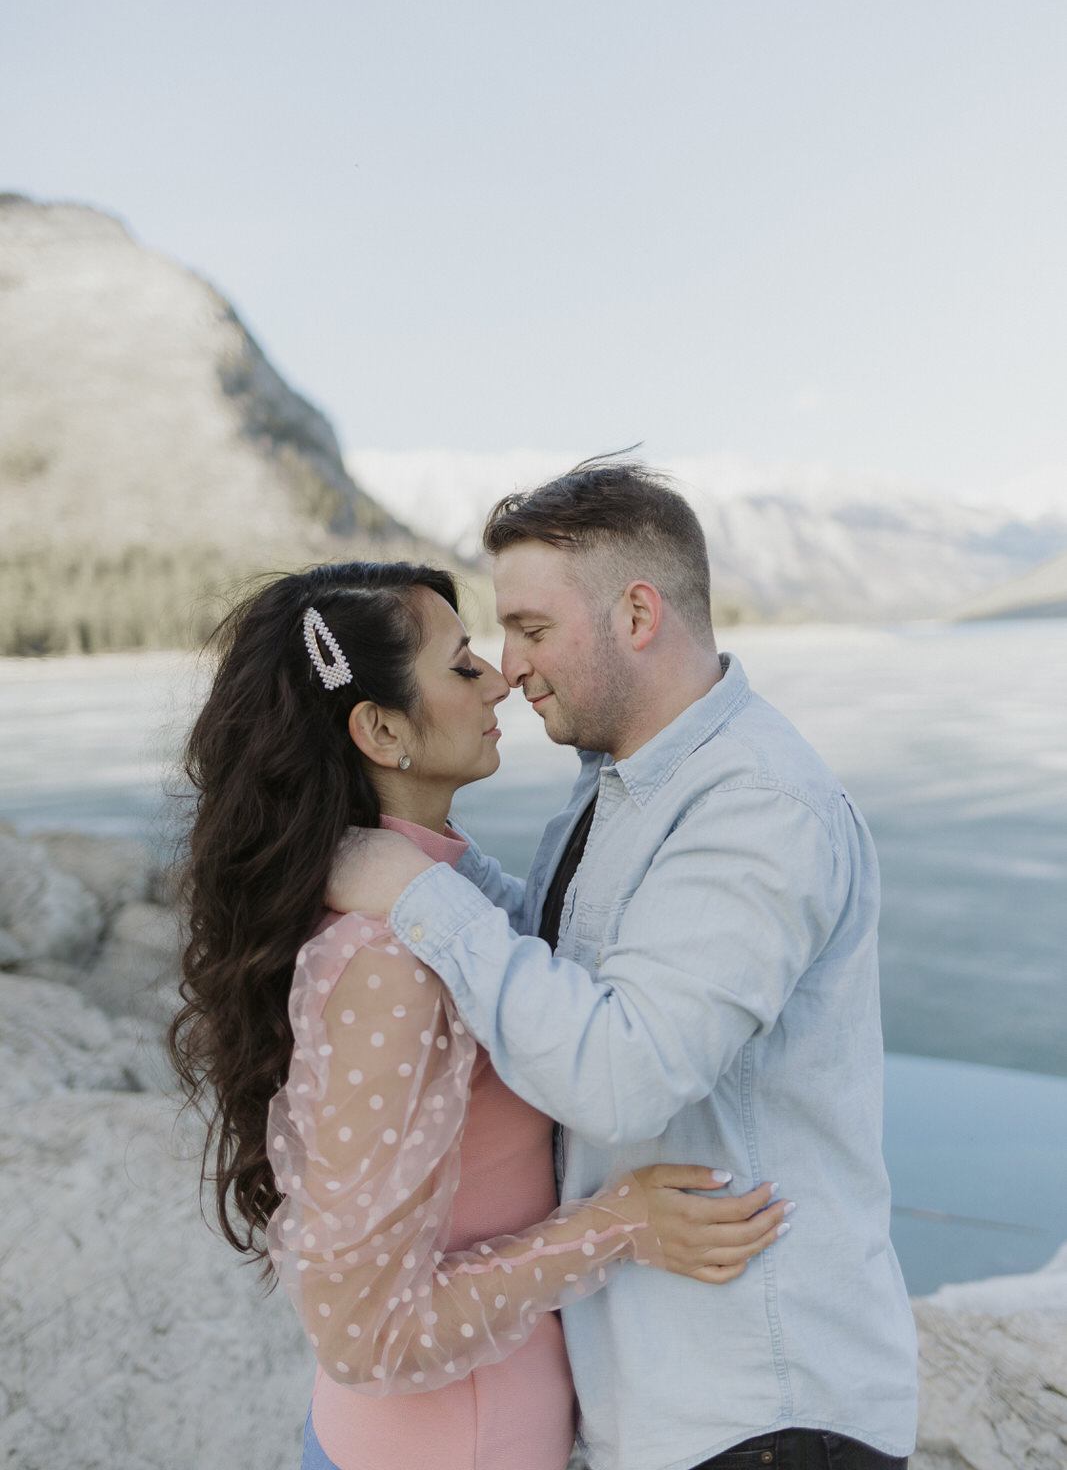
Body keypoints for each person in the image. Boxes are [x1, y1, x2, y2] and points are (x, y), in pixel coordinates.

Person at [327, 463, 920, 1470]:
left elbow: (620, 1072)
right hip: (666, 1403)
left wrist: (419, 898)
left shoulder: (756, 807)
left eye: (531, 628)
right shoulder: (625, 782)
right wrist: (431, 860)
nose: (509, 667)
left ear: (637, 612)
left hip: (760, 1410)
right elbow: (561, 959)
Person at [168, 559, 791, 1470]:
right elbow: (366, 1335)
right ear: (381, 729)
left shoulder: (423, 897)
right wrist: (619, 1225)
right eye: (463, 666)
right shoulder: (384, 961)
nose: (500, 677)